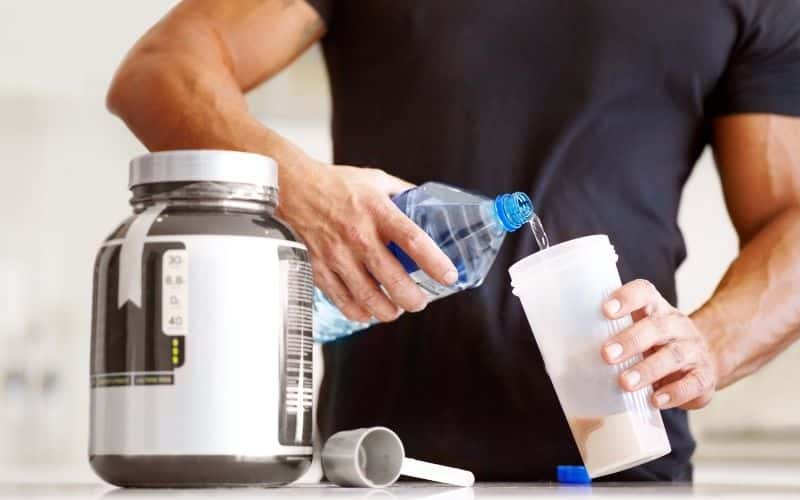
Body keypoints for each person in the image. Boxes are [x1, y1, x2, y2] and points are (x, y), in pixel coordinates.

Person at [106, 0, 800, 481]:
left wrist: (708, 343)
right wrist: (297, 188)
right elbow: (161, 69)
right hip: (383, 468)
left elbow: (790, 220)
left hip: (624, 470)